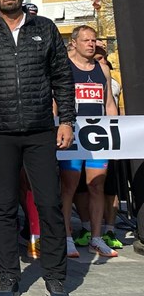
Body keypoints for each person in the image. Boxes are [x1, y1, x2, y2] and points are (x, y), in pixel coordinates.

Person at [0, 0, 75, 296]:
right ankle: (9, 276)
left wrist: (66, 120)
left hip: (41, 131)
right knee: (3, 207)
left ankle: (55, 275)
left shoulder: (45, 28)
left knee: (50, 204)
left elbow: (62, 78)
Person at [59, 25, 119, 259]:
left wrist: (116, 133)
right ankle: (66, 237)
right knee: (69, 188)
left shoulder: (102, 69)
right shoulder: (64, 67)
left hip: (98, 137)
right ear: (74, 43)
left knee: (97, 186)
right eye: (86, 40)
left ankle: (96, 237)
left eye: (94, 40)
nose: (92, 44)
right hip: (72, 136)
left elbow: (110, 104)